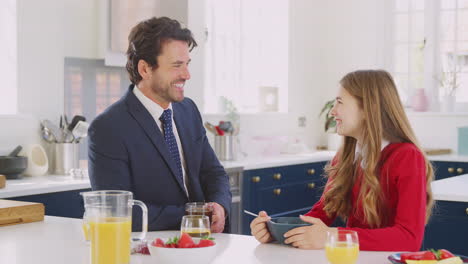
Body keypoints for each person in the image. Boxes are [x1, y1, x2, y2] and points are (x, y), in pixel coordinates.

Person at [250, 70, 434, 251]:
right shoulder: (346, 157)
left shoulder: (407, 157)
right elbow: (320, 215)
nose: (332, 111)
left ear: (367, 108)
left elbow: (409, 238)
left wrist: (332, 236)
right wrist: (274, 230)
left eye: (339, 102)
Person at [88, 17, 231, 232]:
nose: (186, 74)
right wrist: (193, 215)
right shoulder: (108, 128)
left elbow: (213, 173)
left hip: (204, 247)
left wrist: (219, 205)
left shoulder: (188, 110)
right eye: (176, 66)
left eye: (187, 64)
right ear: (145, 69)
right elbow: (118, 212)